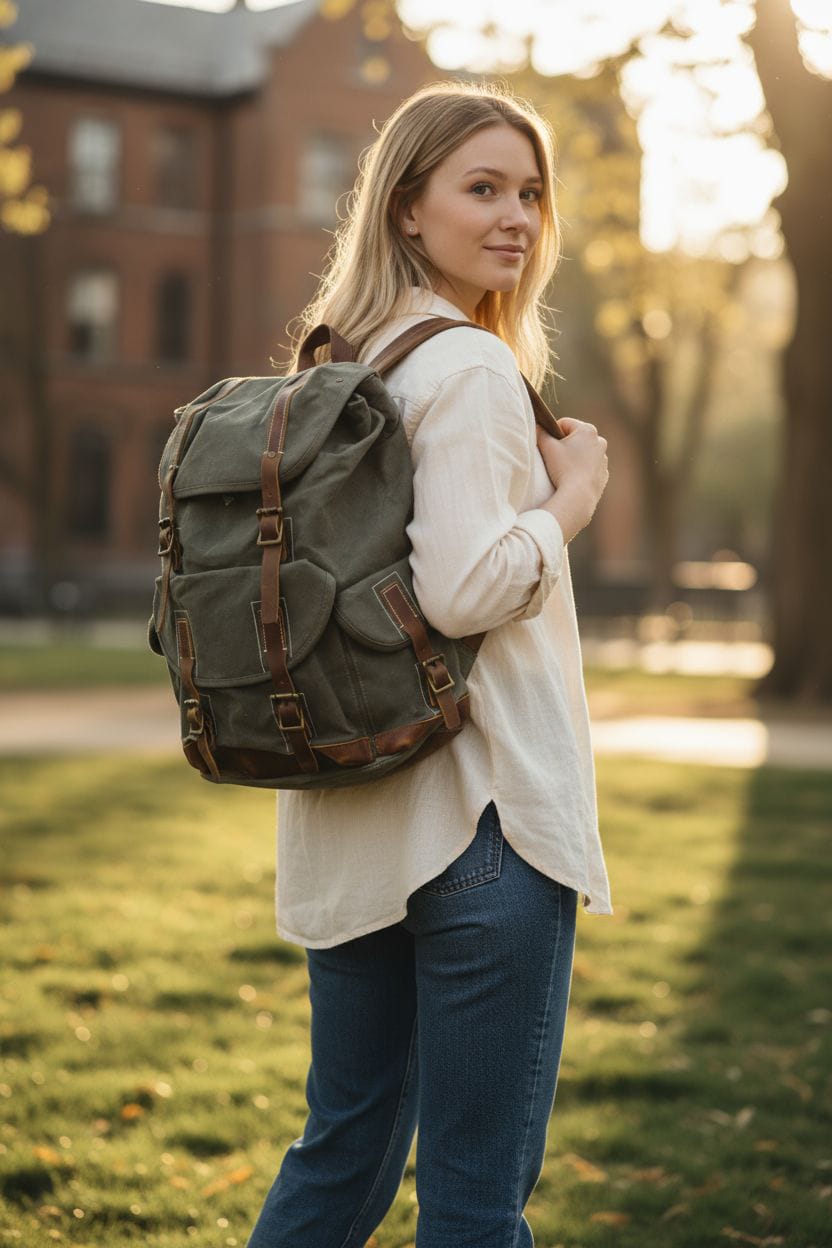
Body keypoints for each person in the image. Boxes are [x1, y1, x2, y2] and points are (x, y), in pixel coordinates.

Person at [246, 79, 612, 1248]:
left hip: (356, 821)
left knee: (339, 1157)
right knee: (472, 1200)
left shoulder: (344, 364)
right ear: (406, 210)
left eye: (530, 192)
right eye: (482, 188)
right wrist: (573, 501)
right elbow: (462, 588)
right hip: (480, 828)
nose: (516, 216)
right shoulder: (463, 369)